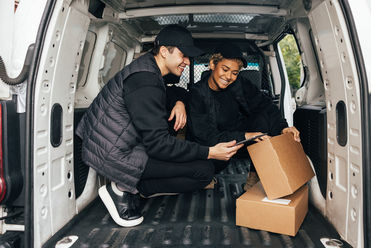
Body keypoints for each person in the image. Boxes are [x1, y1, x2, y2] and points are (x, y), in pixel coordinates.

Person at [76, 25, 242, 228]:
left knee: (181, 134)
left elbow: (174, 92)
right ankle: (123, 188)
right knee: (204, 171)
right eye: (184, 55)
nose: (188, 62)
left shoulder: (148, 69)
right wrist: (209, 152)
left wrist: (179, 102)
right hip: (115, 154)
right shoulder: (145, 82)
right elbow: (159, 146)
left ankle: (134, 185)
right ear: (164, 51)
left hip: (115, 143)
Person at [187, 42, 300, 191]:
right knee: (203, 171)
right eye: (225, 69)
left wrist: (283, 128)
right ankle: (207, 176)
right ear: (213, 65)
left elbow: (265, 106)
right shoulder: (198, 94)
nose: (229, 77)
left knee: (262, 117)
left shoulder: (239, 84)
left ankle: (254, 176)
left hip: (237, 142)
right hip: (213, 149)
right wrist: (246, 135)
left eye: (234, 73)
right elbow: (206, 137)